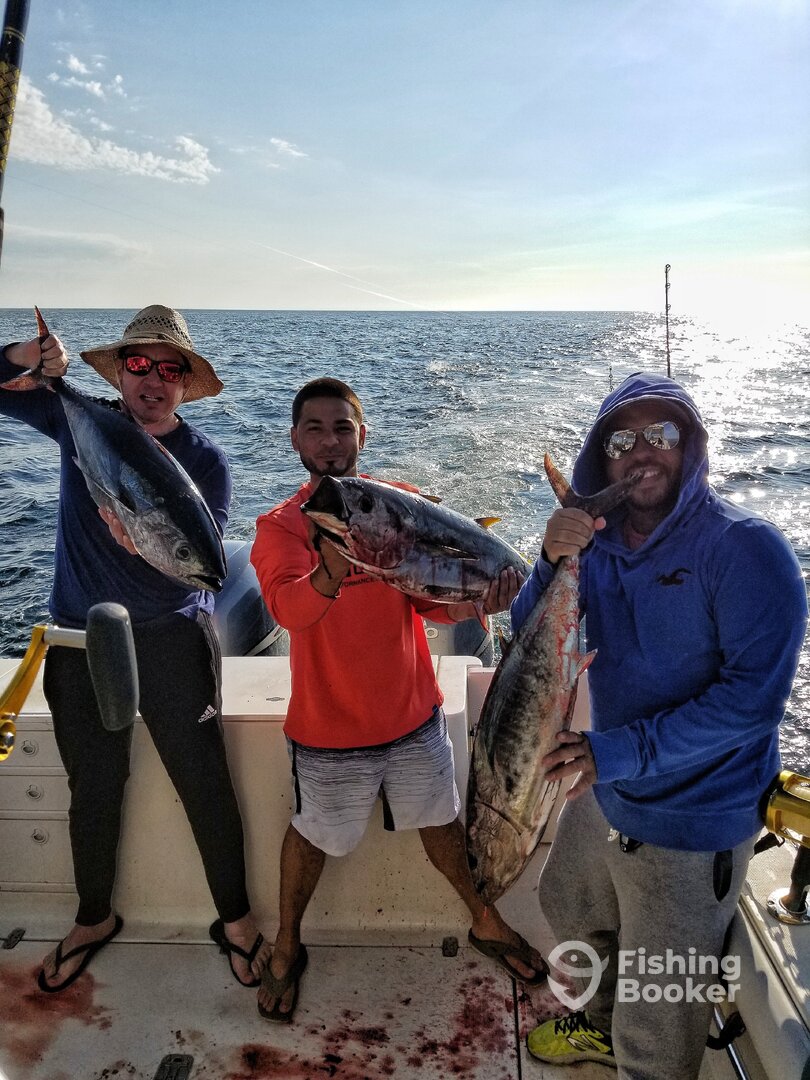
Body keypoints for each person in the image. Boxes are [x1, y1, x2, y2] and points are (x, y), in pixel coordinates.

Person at [514, 371, 807, 1077]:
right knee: (565, 902)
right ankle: (601, 1025)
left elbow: (750, 705)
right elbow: (528, 641)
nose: (641, 450)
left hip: (693, 822)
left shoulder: (745, 550)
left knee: (658, 1022)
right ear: (601, 460)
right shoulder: (598, 546)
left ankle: (635, 1049)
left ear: (691, 445)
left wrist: (613, 754)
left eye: (661, 433)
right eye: (621, 440)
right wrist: (550, 561)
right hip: (611, 790)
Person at [250, 376, 548, 1022]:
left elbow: (428, 602)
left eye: (342, 428)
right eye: (314, 429)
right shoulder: (279, 528)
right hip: (328, 730)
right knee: (313, 835)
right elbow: (289, 610)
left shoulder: (394, 507)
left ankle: (484, 919)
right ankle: (287, 942)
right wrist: (332, 569)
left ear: (362, 435)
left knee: (441, 823)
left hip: (413, 715)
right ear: (294, 439)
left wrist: (480, 599)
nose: (329, 442)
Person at [0, 306, 270, 992]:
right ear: (119, 372)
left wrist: (143, 549)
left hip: (172, 640)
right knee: (93, 786)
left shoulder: (206, 461)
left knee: (204, 783)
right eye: (140, 364)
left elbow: (198, 564)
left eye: (169, 369)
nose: (153, 379)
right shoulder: (75, 417)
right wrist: (25, 355)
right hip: (82, 638)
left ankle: (237, 922)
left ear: (184, 384)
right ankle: (93, 918)